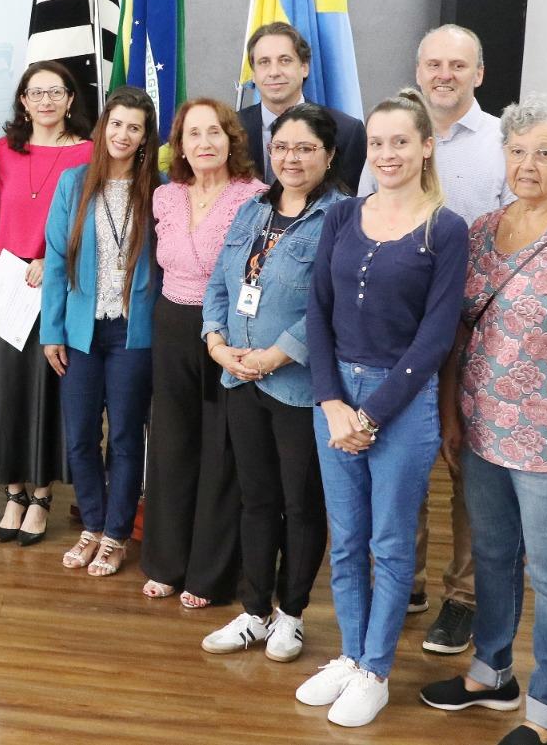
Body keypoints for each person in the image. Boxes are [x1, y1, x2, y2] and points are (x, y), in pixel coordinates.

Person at [419, 95, 547, 745]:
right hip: (482, 432)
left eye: (544, 151)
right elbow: (459, 331)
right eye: (516, 150)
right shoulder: (483, 229)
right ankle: (492, 673)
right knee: (492, 556)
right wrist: (453, 415)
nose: (527, 163)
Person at [298, 88, 467, 728]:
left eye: (402, 141)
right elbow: (317, 310)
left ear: (426, 147)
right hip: (336, 395)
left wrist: (371, 415)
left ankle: (375, 668)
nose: (388, 153)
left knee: (392, 544)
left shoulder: (445, 230)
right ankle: (349, 653)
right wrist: (333, 402)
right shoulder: (342, 216)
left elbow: (436, 336)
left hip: (403, 403)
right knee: (347, 540)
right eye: (378, 142)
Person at [358, 25, 512, 652]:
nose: (443, 75)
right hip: (402, 330)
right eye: (433, 64)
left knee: (469, 467)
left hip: (482, 328)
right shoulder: (397, 134)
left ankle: (463, 597)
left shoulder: (504, 141)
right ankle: (409, 580)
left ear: (479, 73)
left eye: (457, 65)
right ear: (418, 71)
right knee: (404, 458)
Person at [198, 104, 342, 663]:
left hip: (299, 385)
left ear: (328, 156)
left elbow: (328, 307)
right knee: (256, 500)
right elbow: (218, 285)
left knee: (301, 504)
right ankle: (254, 611)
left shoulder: (340, 217)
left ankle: (292, 614)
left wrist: (276, 356)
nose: (292, 158)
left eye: (306, 148)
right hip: (239, 379)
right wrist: (216, 344)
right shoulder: (249, 210)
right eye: (283, 147)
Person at [141, 98, 265, 604]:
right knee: (171, 444)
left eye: (214, 132)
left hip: (229, 329)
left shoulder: (255, 197)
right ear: (180, 146)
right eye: (193, 134)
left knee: (221, 448)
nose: (204, 143)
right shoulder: (166, 197)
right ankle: (166, 561)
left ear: (230, 139)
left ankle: (209, 575)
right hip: (171, 325)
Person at [0, 61, 89, 547]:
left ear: (69, 100)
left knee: (47, 388)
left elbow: (91, 218)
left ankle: (41, 496)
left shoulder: (88, 152)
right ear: (22, 100)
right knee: (5, 387)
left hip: (58, 282)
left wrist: (51, 258)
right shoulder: (2, 151)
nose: (45, 101)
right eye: (35, 93)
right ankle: (13, 492)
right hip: (8, 282)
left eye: (54, 92)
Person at [43, 86, 159, 577]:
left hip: (133, 335)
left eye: (134, 127)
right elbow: (53, 261)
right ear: (103, 126)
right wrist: (52, 330)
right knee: (81, 436)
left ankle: (116, 534)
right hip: (80, 333)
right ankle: (91, 524)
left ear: (145, 136)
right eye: (117, 124)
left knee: (128, 437)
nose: (123, 134)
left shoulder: (161, 189)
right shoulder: (73, 183)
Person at [237, 22, 365, 189]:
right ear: (253, 74)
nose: (274, 72)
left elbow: (351, 205)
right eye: (264, 62)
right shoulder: (231, 130)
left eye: (284, 60)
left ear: (304, 68)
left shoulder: (346, 131)